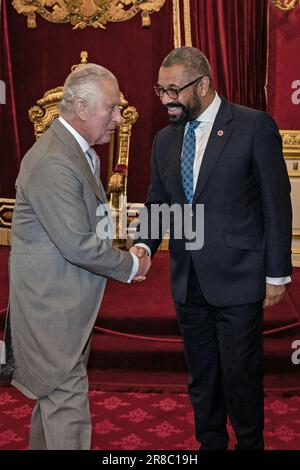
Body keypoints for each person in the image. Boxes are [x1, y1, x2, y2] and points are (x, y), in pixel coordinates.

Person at [131, 47, 292, 450]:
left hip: (238, 277)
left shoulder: (253, 126)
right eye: (160, 90)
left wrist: (277, 273)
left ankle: (250, 444)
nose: (166, 99)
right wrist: (143, 248)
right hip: (187, 282)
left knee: (240, 374)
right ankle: (210, 444)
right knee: (202, 377)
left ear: (203, 84)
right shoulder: (164, 140)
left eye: (174, 89)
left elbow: (276, 202)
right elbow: (158, 204)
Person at [7, 63, 151, 450]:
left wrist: (127, 249)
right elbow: (76, 244)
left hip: (65, 305)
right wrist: (132, 264)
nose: (120, 119)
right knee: (66, 404)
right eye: (113, 108)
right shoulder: (55, 160)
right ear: (82, 108)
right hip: (50, 309)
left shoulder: (80, 152)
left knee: (54, 400)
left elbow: (90, 229)